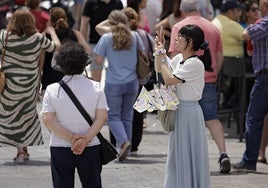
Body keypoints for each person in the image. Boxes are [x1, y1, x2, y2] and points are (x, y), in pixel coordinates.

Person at [169, 0, 230, 173]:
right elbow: (219, 55)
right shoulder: (212, 26)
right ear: (198, 9)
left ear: (182, 10)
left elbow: (175, 56)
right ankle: (223, 152)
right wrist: (213, 74)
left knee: (186, 123)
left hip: (185, 83)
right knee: (212, 118)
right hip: (208, 80)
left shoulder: (180, 28)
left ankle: (187, 162)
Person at [41, 40, 108, 187]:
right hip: (91, 145)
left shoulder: (52, 90)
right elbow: (102, 117)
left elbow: (48, 120)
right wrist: (84, 140)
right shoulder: (96, 87)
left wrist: (72, 139)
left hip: (60, 145)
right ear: (84, 64)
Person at [0, 8, 60, 164]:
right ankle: (23, 149)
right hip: (29, 85)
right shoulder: (38, 39)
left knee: (12, 116)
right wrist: (51, 31)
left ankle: (20, 150)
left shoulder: (4, 37)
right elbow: (57, 47)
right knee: (26, 116)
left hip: (8, 86)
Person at [155, 24, 212, 188]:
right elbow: (161, 68)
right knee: (176, 153)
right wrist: (160, 50)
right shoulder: (180, 59)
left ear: (190, 41)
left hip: (189, 112)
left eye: (180, 36)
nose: (175, 39)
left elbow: (169, 79)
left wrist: (162, 54)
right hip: (179, 110)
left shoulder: (195, 64)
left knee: (187, 153)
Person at [93, 10, 141, 162]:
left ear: (110, 22)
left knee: (113, 116)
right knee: (127, 116)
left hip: (114, 82)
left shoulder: (107, 38)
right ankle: (124, 146)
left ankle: (123, 142)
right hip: (133, 81)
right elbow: (143, 53)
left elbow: (98, 61)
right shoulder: (135, 36)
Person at [232, 0, 268, 172]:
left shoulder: (265, 23)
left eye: (259, 5)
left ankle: (249, 160)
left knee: (254, 118)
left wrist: (252, 25)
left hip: (265, 78)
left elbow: (246, 34)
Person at [41, 6, 92, 91]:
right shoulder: (75, 33)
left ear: (50, 20)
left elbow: (41, 61)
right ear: (66, 19)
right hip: (72, 83)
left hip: (49, 82)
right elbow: (89, 52)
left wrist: (38, 80)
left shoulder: (45, 35)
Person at [80, 0, 123, 82]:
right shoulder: (91, 3)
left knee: (116, 74)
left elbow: (123, 22)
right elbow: (84, 23)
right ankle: (97, 93)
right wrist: (83, 44)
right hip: (95, 43)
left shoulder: (118, 3)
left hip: (114, 44)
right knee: (96, 76)